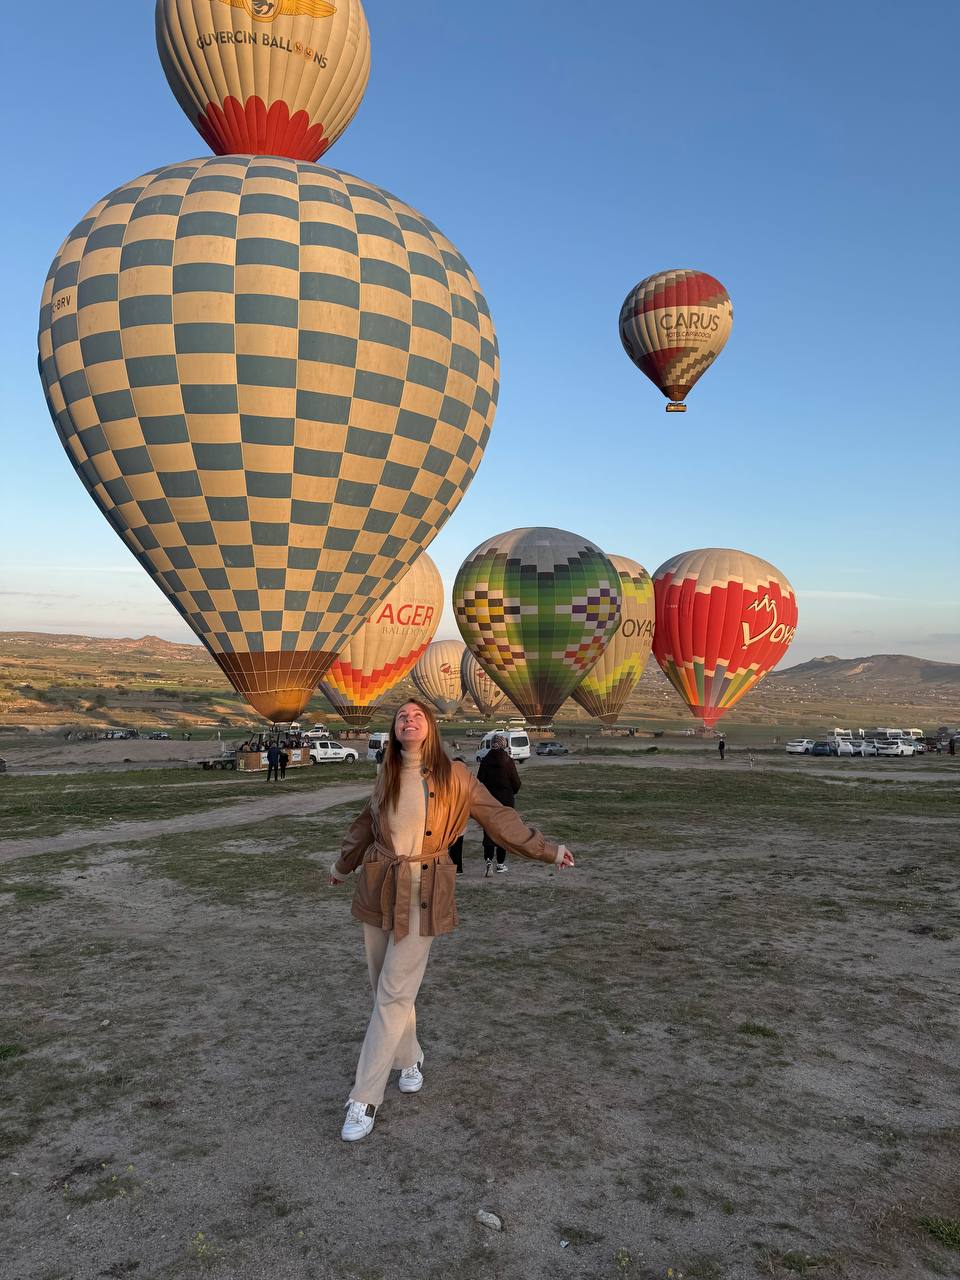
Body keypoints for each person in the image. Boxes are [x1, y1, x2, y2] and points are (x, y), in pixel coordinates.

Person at [329, 699, 574, 1142]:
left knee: (391, 993)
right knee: (386, 988)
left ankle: (363, 1098)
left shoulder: (457, 776)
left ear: (431, 726)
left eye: (417, 715)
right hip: (378, 885)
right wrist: (343, 866)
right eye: (402, 716)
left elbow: (500, 819)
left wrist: (547, 849)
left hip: (424, 891)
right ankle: (410, 1058)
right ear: (394, 728)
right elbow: (364, 824)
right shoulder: (385, 773)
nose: (409, 720)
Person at [477, 735, 520, 875]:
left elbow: (479, 781)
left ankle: (488, 860)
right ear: (504, 744)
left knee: (489, 831)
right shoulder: (508, 761)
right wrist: (510, 792)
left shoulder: (485, 761)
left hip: (488, 801)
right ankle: (500, 864)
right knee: (503, 832)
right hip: (506, 802)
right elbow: (516, 783)